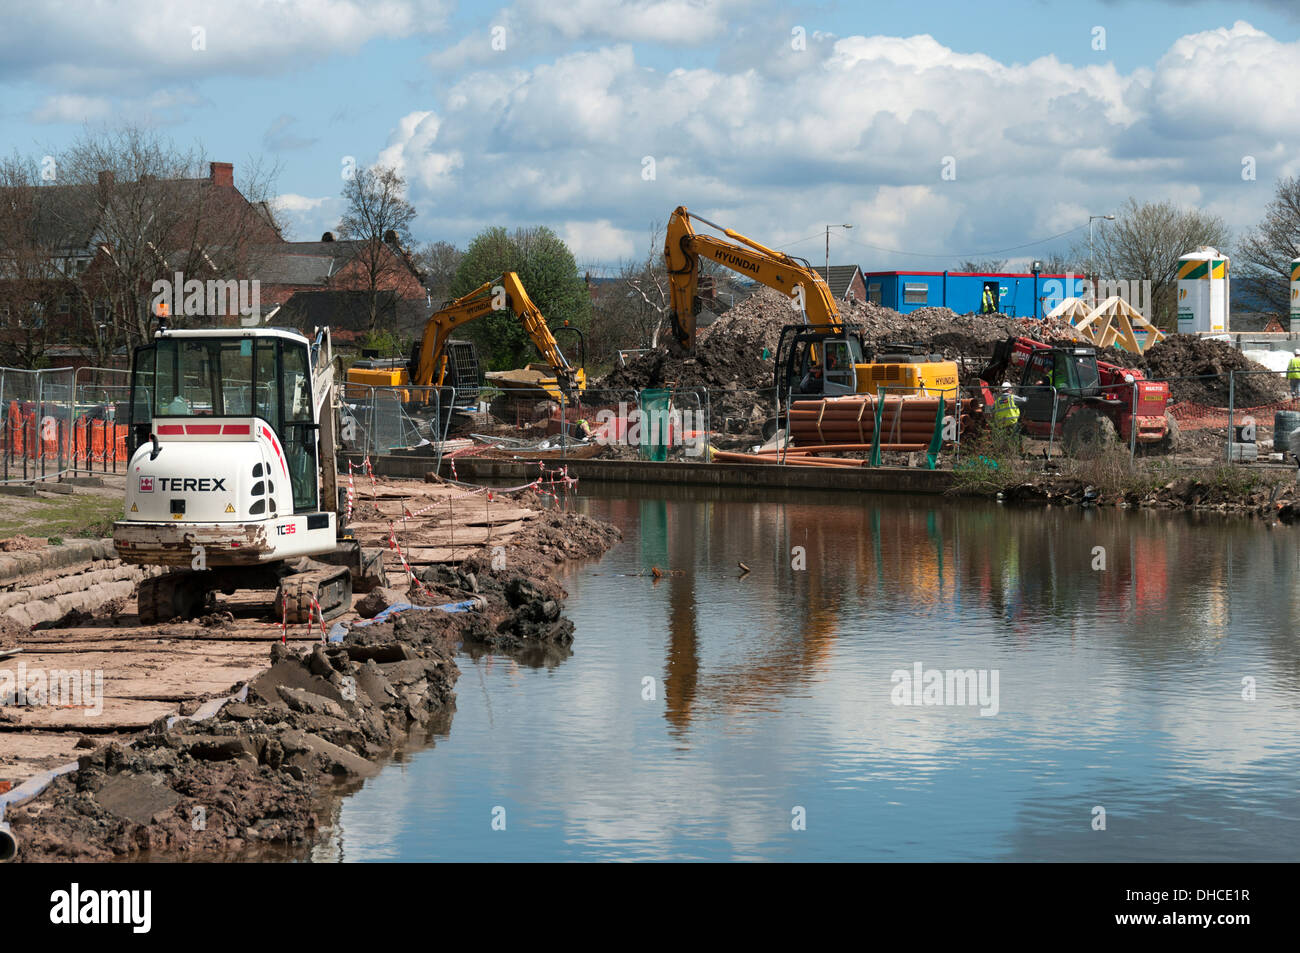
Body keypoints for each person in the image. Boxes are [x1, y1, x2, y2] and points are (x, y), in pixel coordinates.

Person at [993, 381, 1027, 450]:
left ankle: (1006, 450)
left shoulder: (997, 401)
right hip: (1012, 422)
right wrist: (1027, 397)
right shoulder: (1012, 397)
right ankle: (1018, 450)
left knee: (1006, 437)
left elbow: (991, 408)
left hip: (1002, 423)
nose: (1011, 390)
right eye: (1011, 389)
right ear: (1008, 390)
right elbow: (1023, 400)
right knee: (1017, 435)